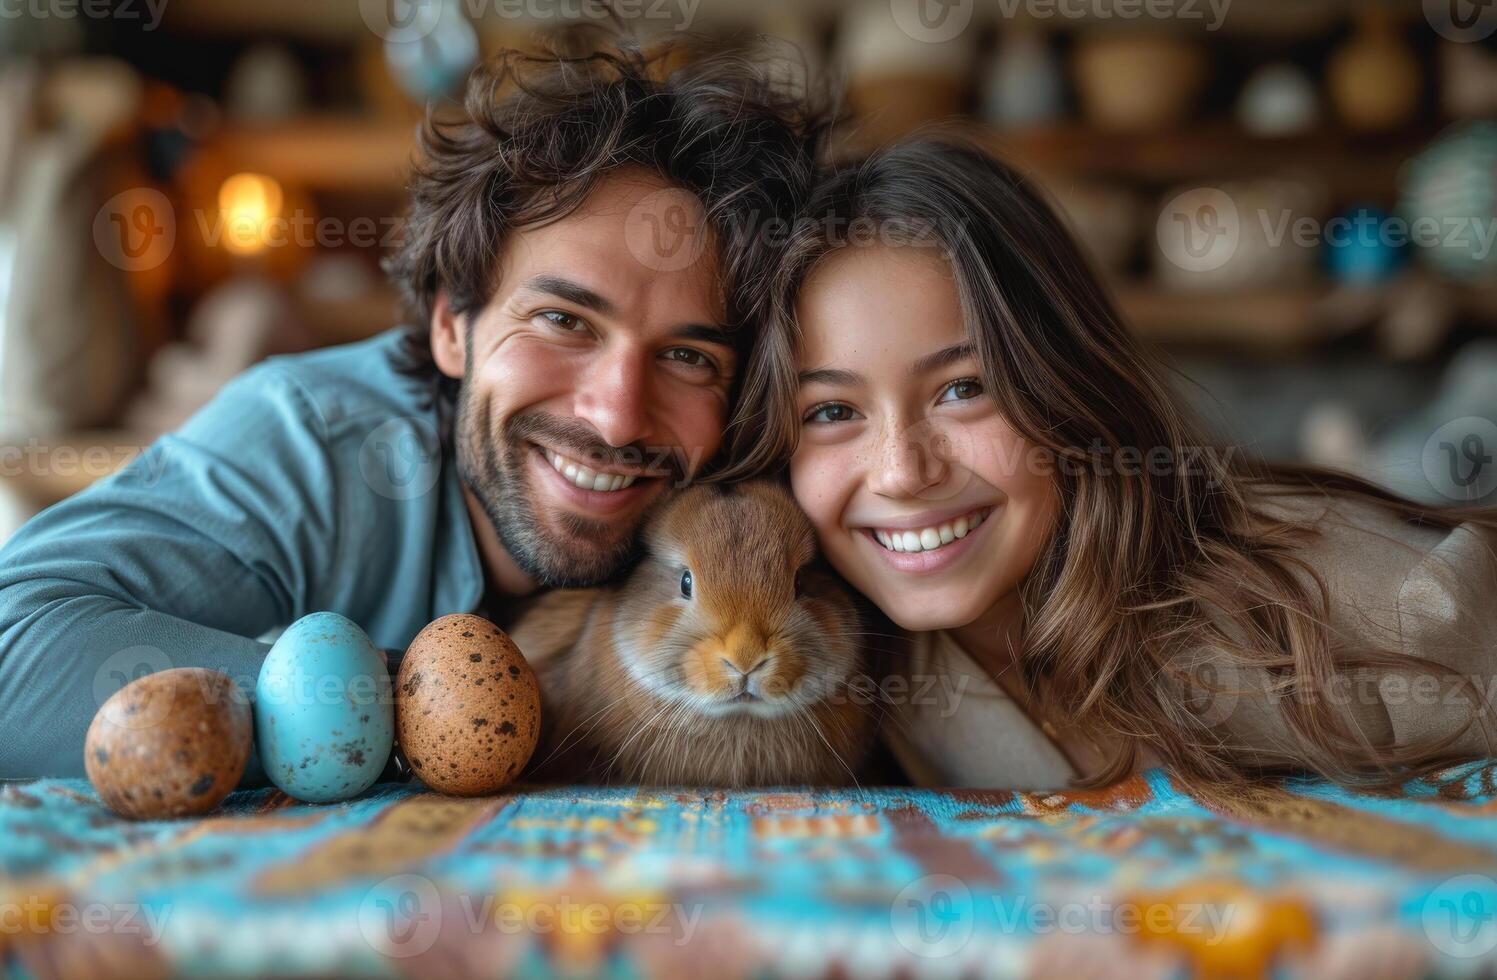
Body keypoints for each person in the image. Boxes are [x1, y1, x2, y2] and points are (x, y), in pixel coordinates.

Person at [0, 35, 824, 781]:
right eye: (563, 322)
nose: (614, 417)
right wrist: (444, 703)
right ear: (449, 327)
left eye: (687, 357)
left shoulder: (760, 490)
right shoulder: (313, 440)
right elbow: (15, 654)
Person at [725, 135, 1497, 789]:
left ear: (1066, 384)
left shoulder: (1380, 610)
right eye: (830, 412)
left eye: (964, 389)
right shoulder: (844, 668)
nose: (900, 472)